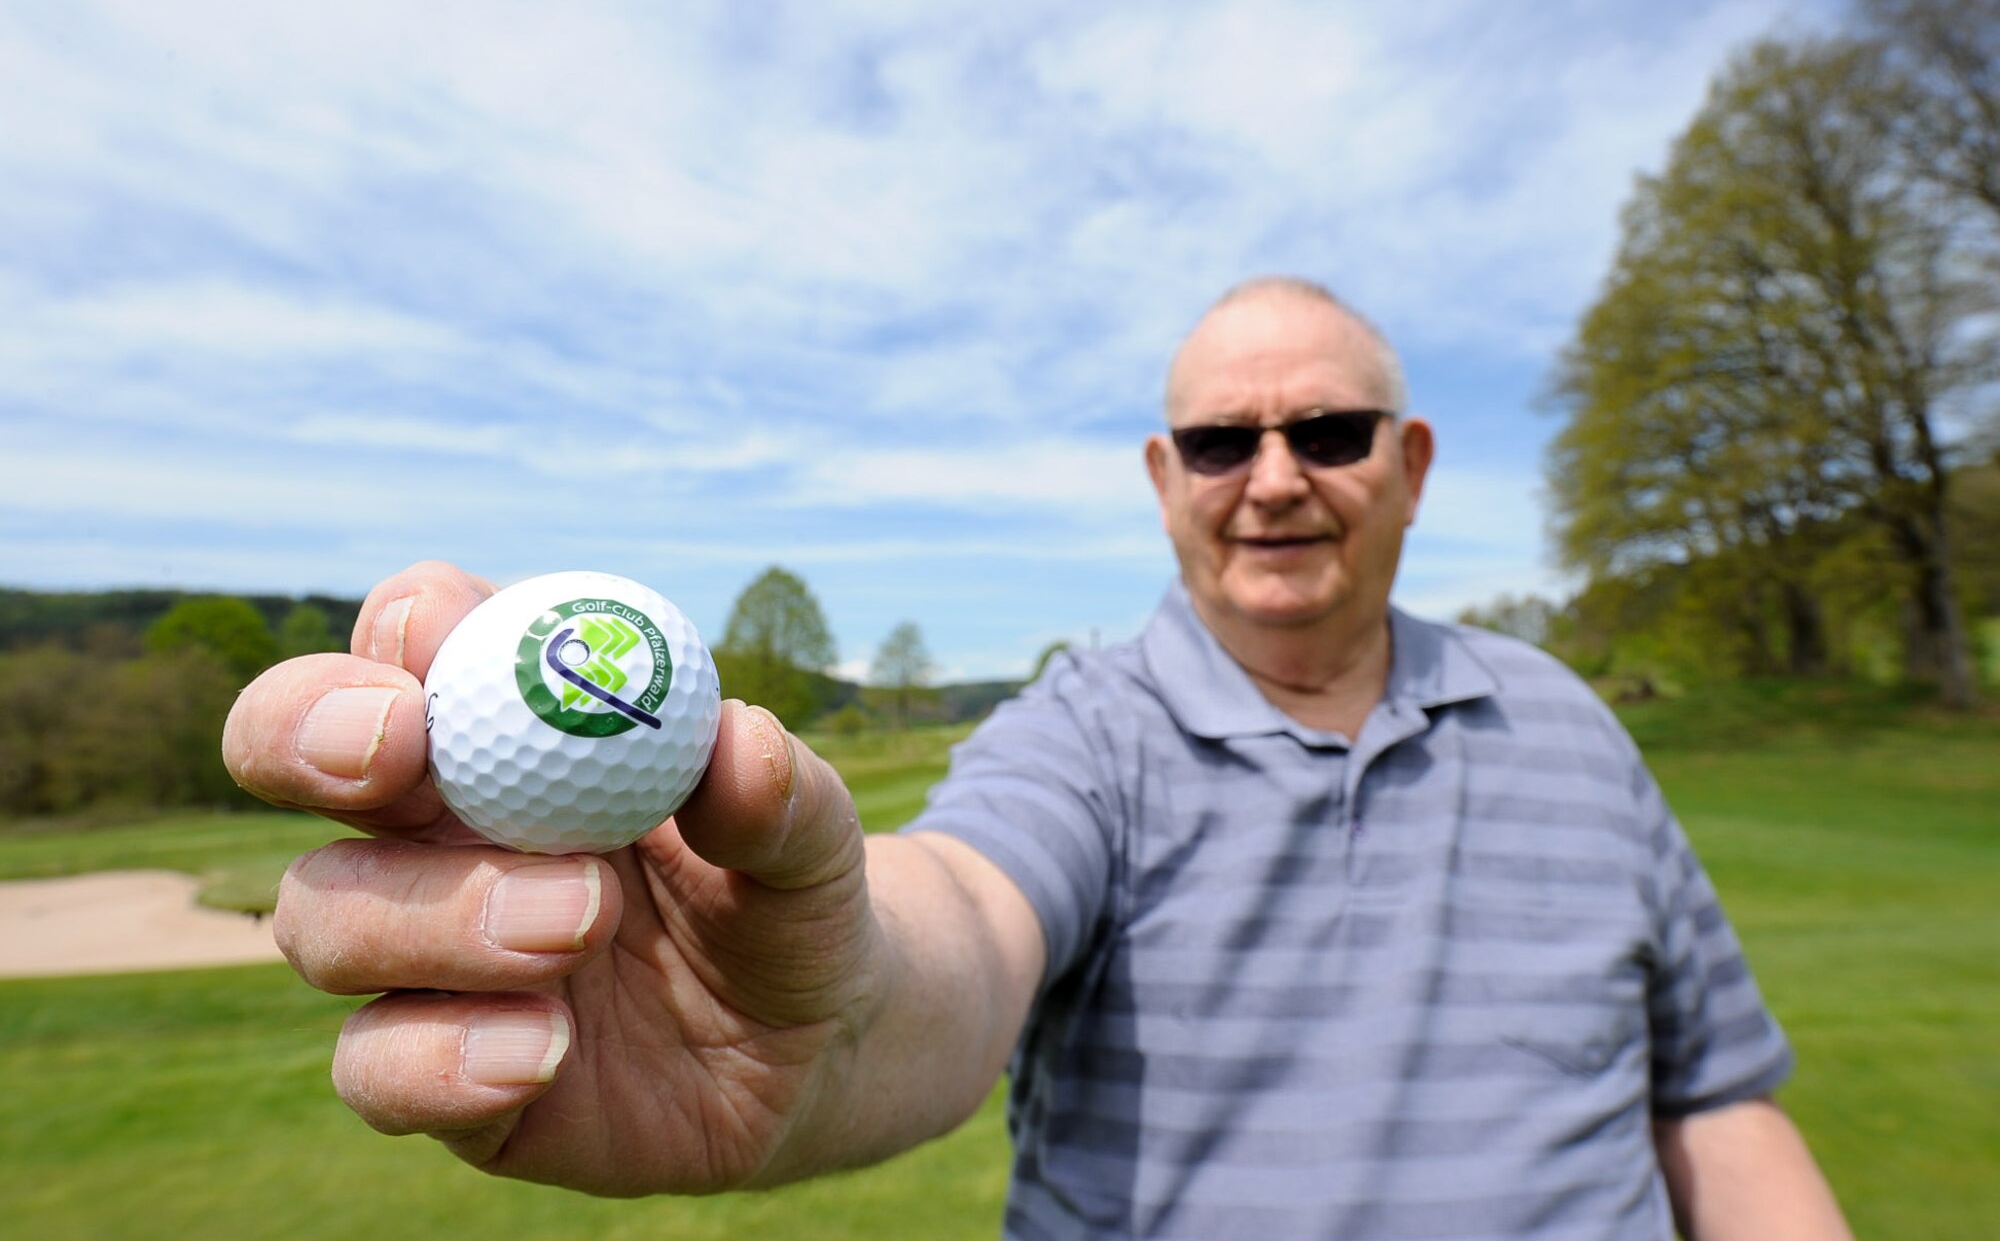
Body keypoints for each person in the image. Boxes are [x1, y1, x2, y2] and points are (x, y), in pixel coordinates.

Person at [223, 277, 1852, 1239]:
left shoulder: (1570, 718)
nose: (1273, 478)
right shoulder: (1085, 732)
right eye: (1222, 440)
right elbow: (959, 922)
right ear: (1166, 476)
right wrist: (818, 1006)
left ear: (1410, 464)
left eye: (1328, 433)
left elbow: (1713, 1104)